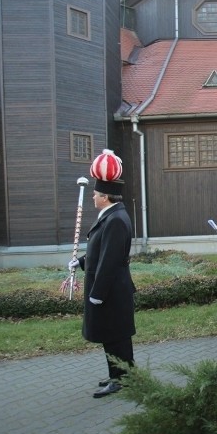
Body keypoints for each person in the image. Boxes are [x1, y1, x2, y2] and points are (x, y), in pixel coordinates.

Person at [69, 150, 136, 398]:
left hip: (111, 290)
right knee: (112, 335)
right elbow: (101, 251)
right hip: (110, 288)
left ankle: (122, 379)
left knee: (116, 336)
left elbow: (110, 260)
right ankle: (118, 374)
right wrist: (81, 261)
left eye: (96, 195)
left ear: (105, 196)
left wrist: (97, 293)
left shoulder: (116, 219)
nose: (93, 199)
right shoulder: (111, 215)